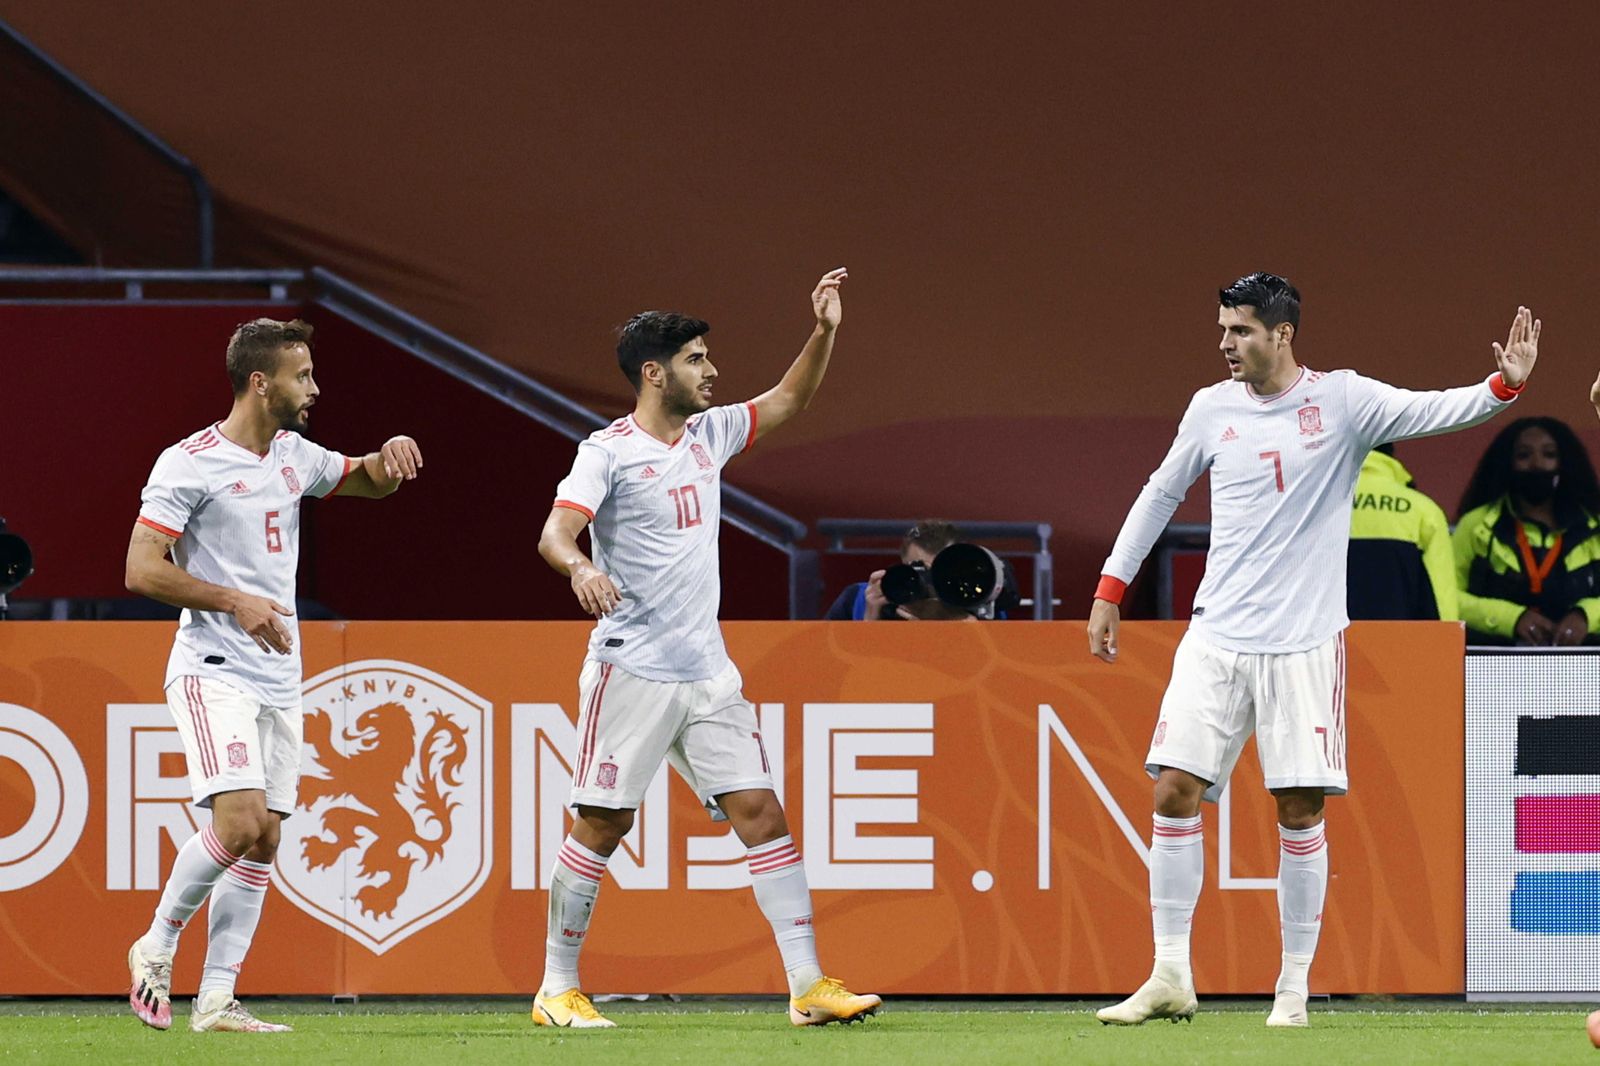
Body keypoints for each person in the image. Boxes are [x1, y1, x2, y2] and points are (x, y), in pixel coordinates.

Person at [1086, 273, 1538, 1029]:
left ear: (1283, 333)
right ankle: (1169, 973)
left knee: (1297, 809)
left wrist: (1502, 386)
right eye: (1224, 330)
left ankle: (1292, 984)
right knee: (1172, 790)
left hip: (1303, 644)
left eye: (1241, 331)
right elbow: (1159, 494)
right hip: (1217, 637)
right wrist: (1111, 588)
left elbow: (1432, 411)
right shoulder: (1210, 409)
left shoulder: (1345, 401)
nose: (1226, 344)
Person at [534, 269, 880, 1029]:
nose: (713, 371)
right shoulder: (608, 452)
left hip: (708, 673)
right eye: (696, 358)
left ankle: (807, 986)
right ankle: (556, 987)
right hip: (634, 668)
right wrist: (583, 567)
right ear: (654, 373)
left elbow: (790, 399)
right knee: (602, 823)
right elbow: (556, 534)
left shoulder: (711, 434)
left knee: (762, 812)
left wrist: (822, 331)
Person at [123, 319, 423, 1033]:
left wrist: (389, 457)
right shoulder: (188, 463)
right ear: (262, 382)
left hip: (280, 675)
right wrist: (235, 600)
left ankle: (219, 999)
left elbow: (363, 481)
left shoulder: (293, 455)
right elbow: (140, 570)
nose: (314, 389)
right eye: (303, 376)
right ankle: (155, 944)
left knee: (265, 839)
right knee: (239, 821)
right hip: (213, 668)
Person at [1453, 417, 1600, 645]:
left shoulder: (1594, 528)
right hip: (1495, 664)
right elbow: (1447, 597)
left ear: (1565, 464)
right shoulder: (1476, 525)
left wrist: (1586, 616)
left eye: (1549, 455)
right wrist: (1510, 619)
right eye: (1524, 455)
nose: (1537, 465)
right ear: (1507, 463)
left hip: (1585, 665)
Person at [1347, 443, 1459, 621]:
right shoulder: (1425, 511)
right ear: (1391, 453)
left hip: (1327, 645)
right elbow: (1442, 605)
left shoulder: (1314, 509)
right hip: (1401, 645)